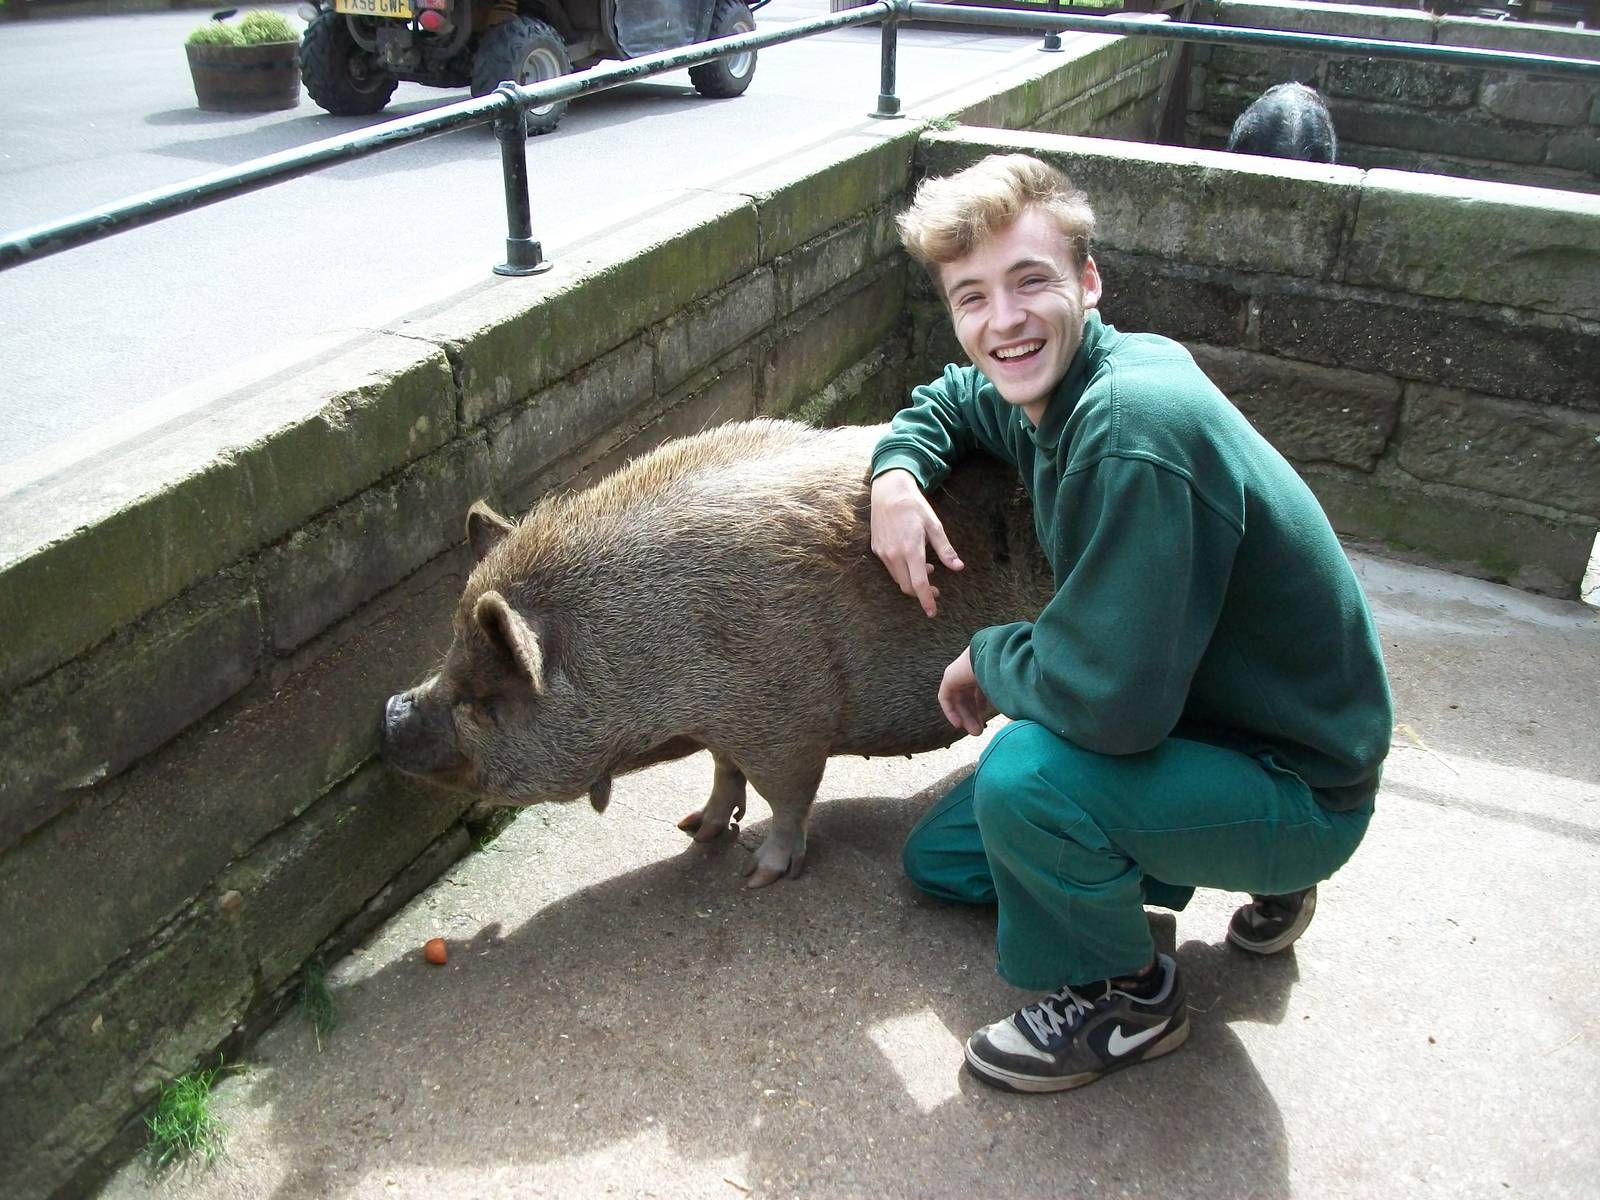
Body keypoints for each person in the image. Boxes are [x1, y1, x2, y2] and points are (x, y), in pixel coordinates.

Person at [868, 154, 1392, 1094]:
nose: (1004, 321)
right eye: (971, 297)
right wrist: (896, 476)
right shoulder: (1059, 381)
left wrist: (989, 659)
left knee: (1024, 781)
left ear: (1088, 281)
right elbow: (955, 398)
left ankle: (1131, 997)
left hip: (1298, 780)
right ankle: (1209, 855)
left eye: (1031, 282)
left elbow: (1110, 704)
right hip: (1220, 724)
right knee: (942, 859)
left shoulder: (1130, 430)